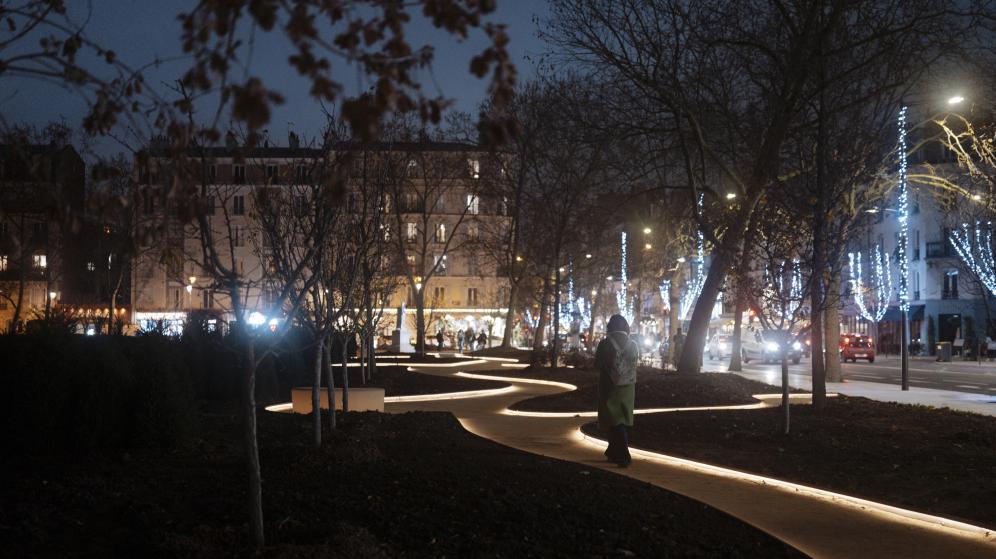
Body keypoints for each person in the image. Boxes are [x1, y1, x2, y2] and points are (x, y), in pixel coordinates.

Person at [595, 314, 640, 467]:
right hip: (628, 388)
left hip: (609, 386)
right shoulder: (633, 344)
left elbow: (597, 364)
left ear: (610, 327)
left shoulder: (605, 344)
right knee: (620, 419)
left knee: (613, 420)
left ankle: (623, 455)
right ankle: (612, 452)